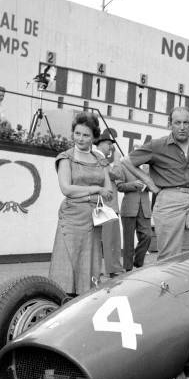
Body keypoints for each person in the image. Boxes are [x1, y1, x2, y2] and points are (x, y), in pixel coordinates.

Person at [121, 106, 189, 261]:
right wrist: (150, 183)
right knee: (169, 257)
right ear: (170, 124)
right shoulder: (157, 145)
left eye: (186, 123)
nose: (182, 127)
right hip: (169, 201)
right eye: (177, 123)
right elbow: (126, 161)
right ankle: (165, 282)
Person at [49, 112, 113, 296]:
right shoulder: (65, 157)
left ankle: (84, 304)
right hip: (72, 217)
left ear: (94, 137)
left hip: (93, 219)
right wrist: (94, 190)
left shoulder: (100, 159)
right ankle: (59, 303)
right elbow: (66, 189)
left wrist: (92, 192)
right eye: (77, 133)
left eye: (86, 135)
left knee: (89, 262)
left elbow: (108, 191)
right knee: (67, 263)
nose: (80, 138)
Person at [114, 145, 152, 272]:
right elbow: (119, 186)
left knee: (147, 236)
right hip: (129, 207)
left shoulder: (149, 168)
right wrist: (133, 185)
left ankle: (138, 261)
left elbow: (155, 185)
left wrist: (149, 186)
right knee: (128, 241)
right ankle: (128, 269)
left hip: (145, 208)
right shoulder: (124, 167)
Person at [93, 129, 124, 277]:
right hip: (108, 206)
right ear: (100, 144)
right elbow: (117, 174)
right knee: (111, 241)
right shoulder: (101, 159)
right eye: (108, 144)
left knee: (103, 240)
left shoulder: (98, 159)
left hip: (104, 205)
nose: (110, 147)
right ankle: (114, 269)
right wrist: (117, 159)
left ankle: (102, 269)